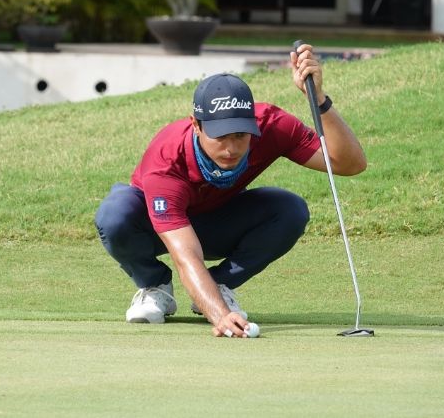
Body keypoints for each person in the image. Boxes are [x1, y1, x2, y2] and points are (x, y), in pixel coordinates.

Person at [94, 44, 366, 338]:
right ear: (196, 125)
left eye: (240, 134)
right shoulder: (167, 161)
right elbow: (186, 255)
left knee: (289, 210)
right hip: (154, 227)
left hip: (220, 220)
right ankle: (155, 286)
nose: (232, 148)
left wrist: (319, 99)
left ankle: (219, 286)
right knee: (114, 214)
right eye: (221, 136)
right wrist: (220, 317)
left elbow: (349, 163)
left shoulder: (272, 125)